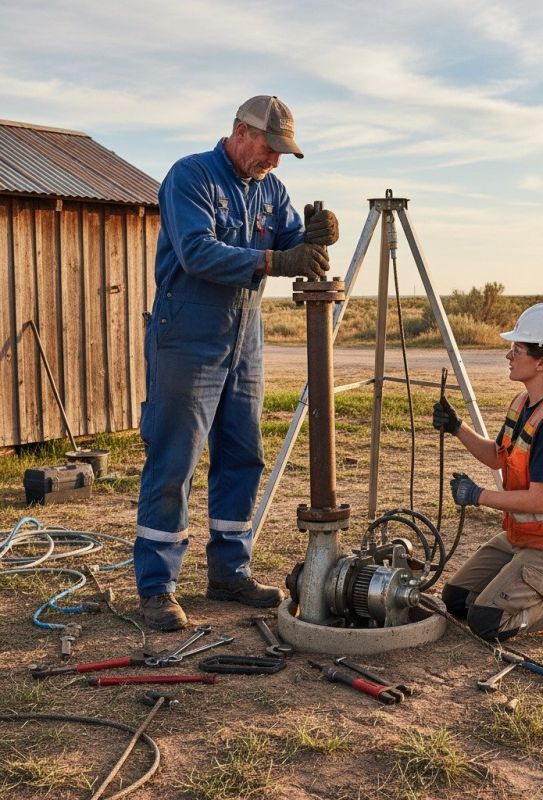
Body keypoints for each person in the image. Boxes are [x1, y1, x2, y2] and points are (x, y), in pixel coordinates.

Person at [135, 95, 339, 631]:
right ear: (241, 132)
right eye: (270, 148)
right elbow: (197, 252)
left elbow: (291, 238)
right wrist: (277, 259)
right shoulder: (191, 177)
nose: (274, 160)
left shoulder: (270, 188)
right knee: (174, 459)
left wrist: (315, 235)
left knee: (242, 455)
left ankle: (230, 570)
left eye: (282, 153)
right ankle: (157, 587)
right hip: (187, 336)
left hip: (245, 337)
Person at [432, 302, 543, 642]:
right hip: (527, 537)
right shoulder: (523, 403)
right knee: (456, 601)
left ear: (542, 362)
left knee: (487, 623)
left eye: (517, 349)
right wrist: (457, 427)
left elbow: (539, 501)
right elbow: (499, 458)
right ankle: (539, 588)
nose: (508, 355)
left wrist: (478, 495)